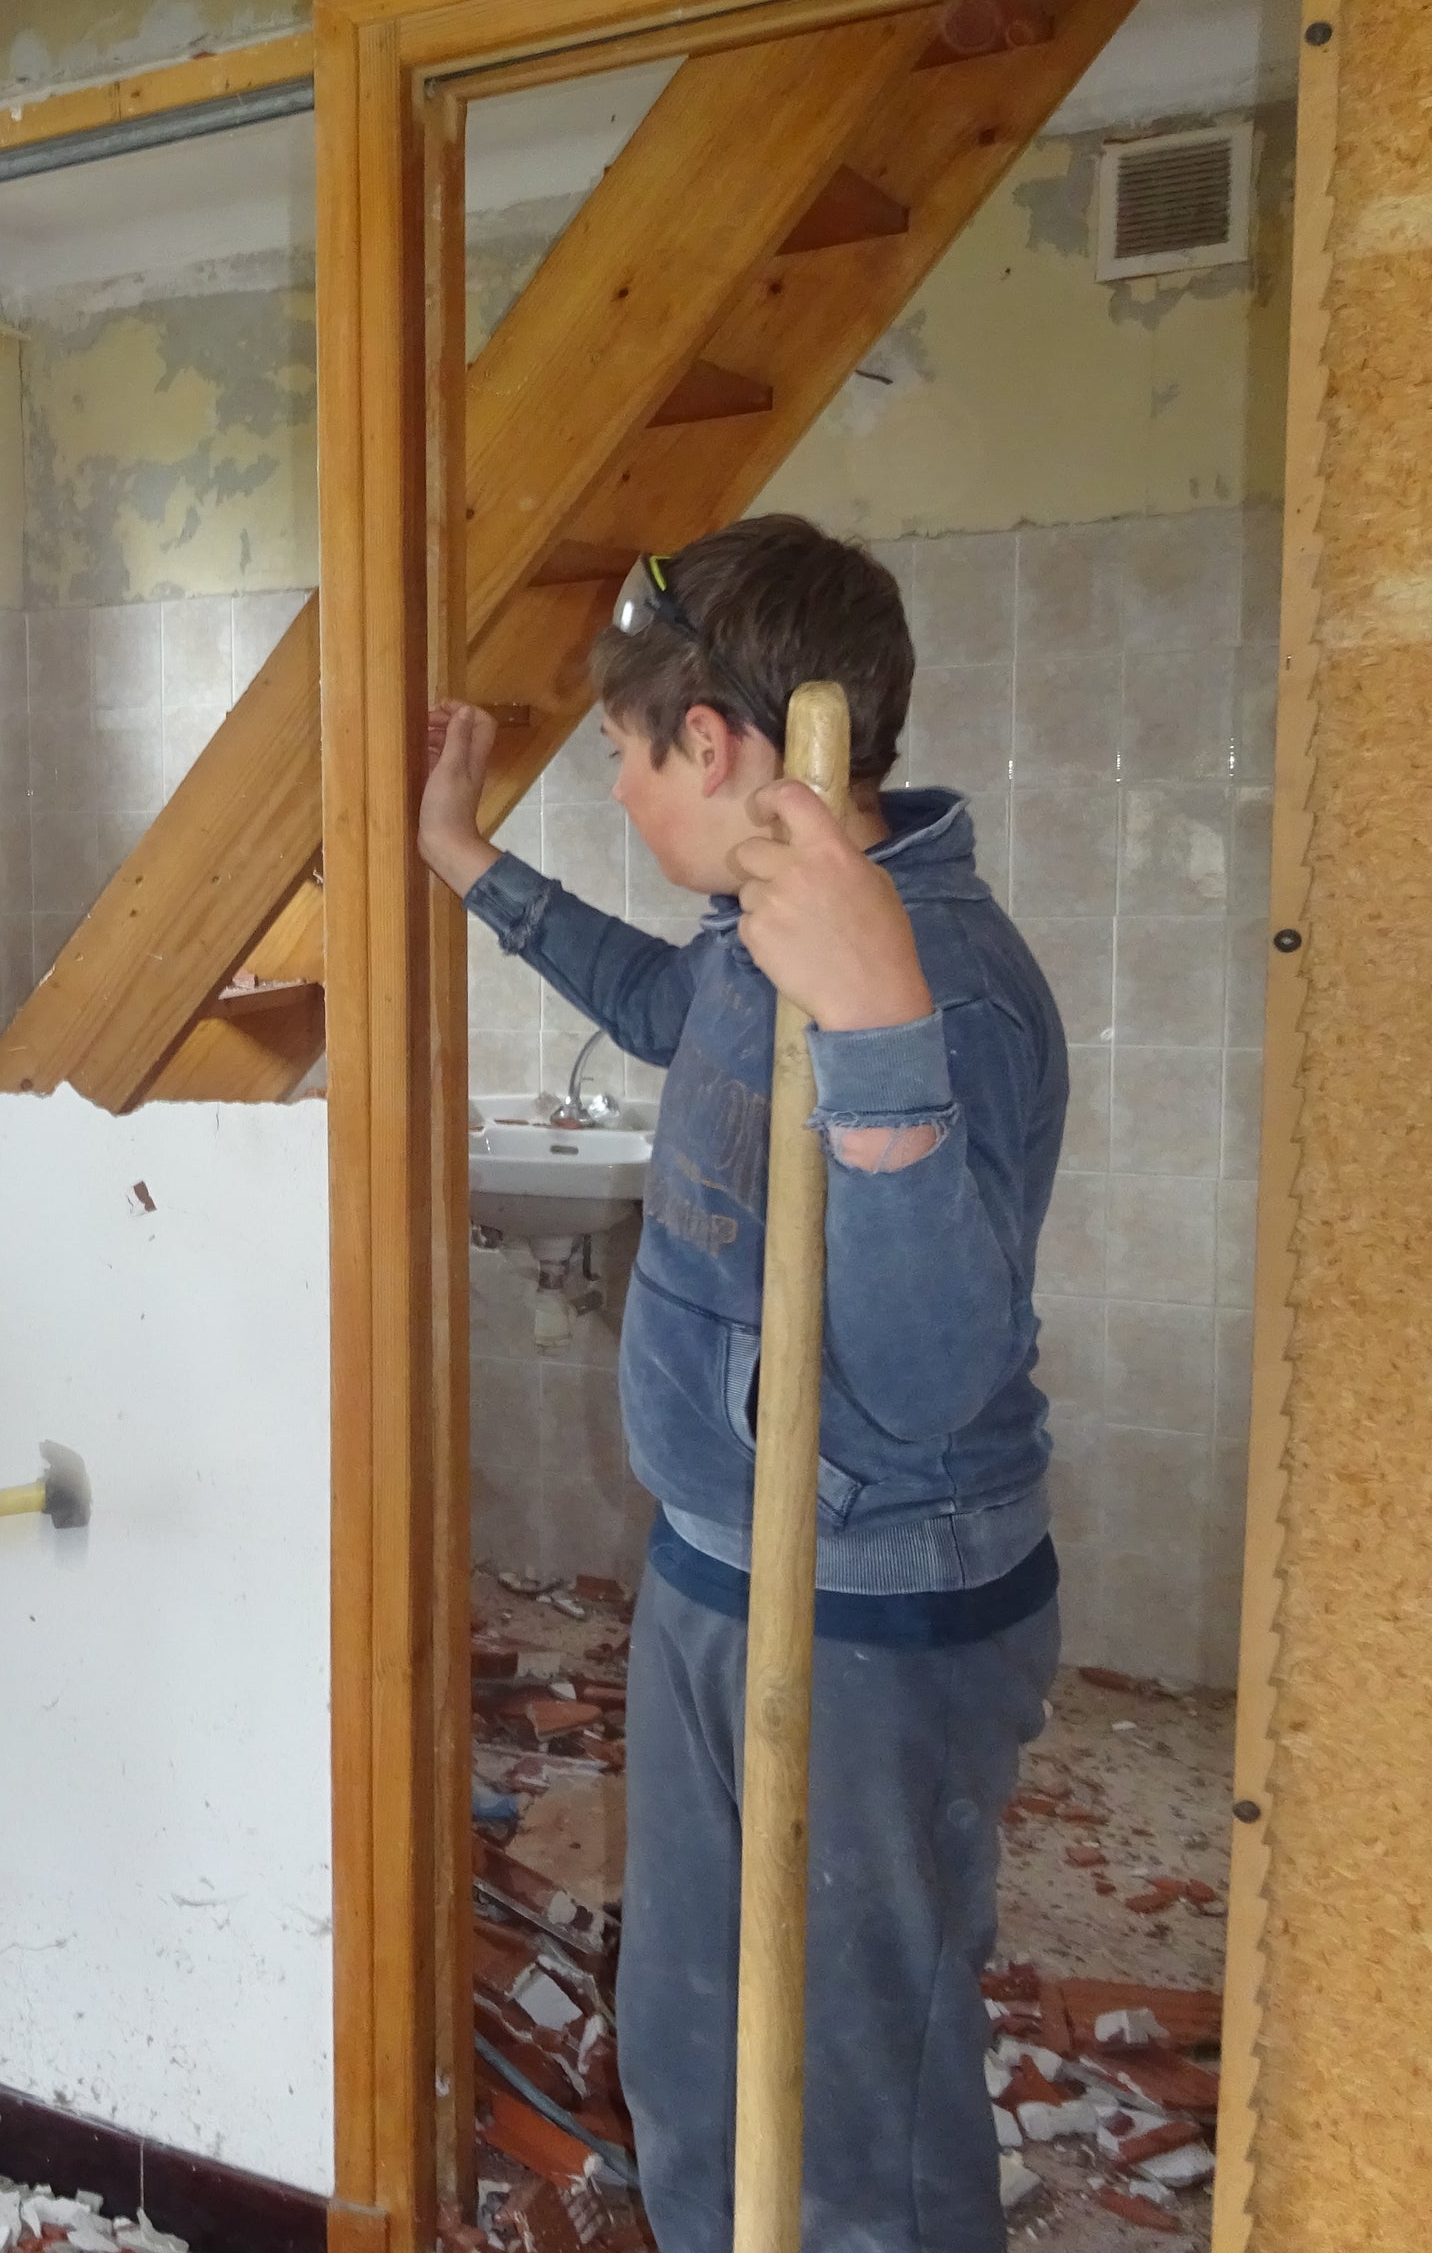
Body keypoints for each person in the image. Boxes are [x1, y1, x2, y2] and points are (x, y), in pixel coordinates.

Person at [418, 518, 1069, 2252]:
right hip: (719, 1565)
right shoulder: (754, 924)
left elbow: (936, 1377)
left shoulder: (947, 983)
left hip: (873, 1615)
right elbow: (660, 1005)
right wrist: (464, 858)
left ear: (709, 742)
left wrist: (879, 1042)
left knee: (856, 2098)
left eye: (628, 757)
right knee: (695, 2043)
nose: (625, 797)